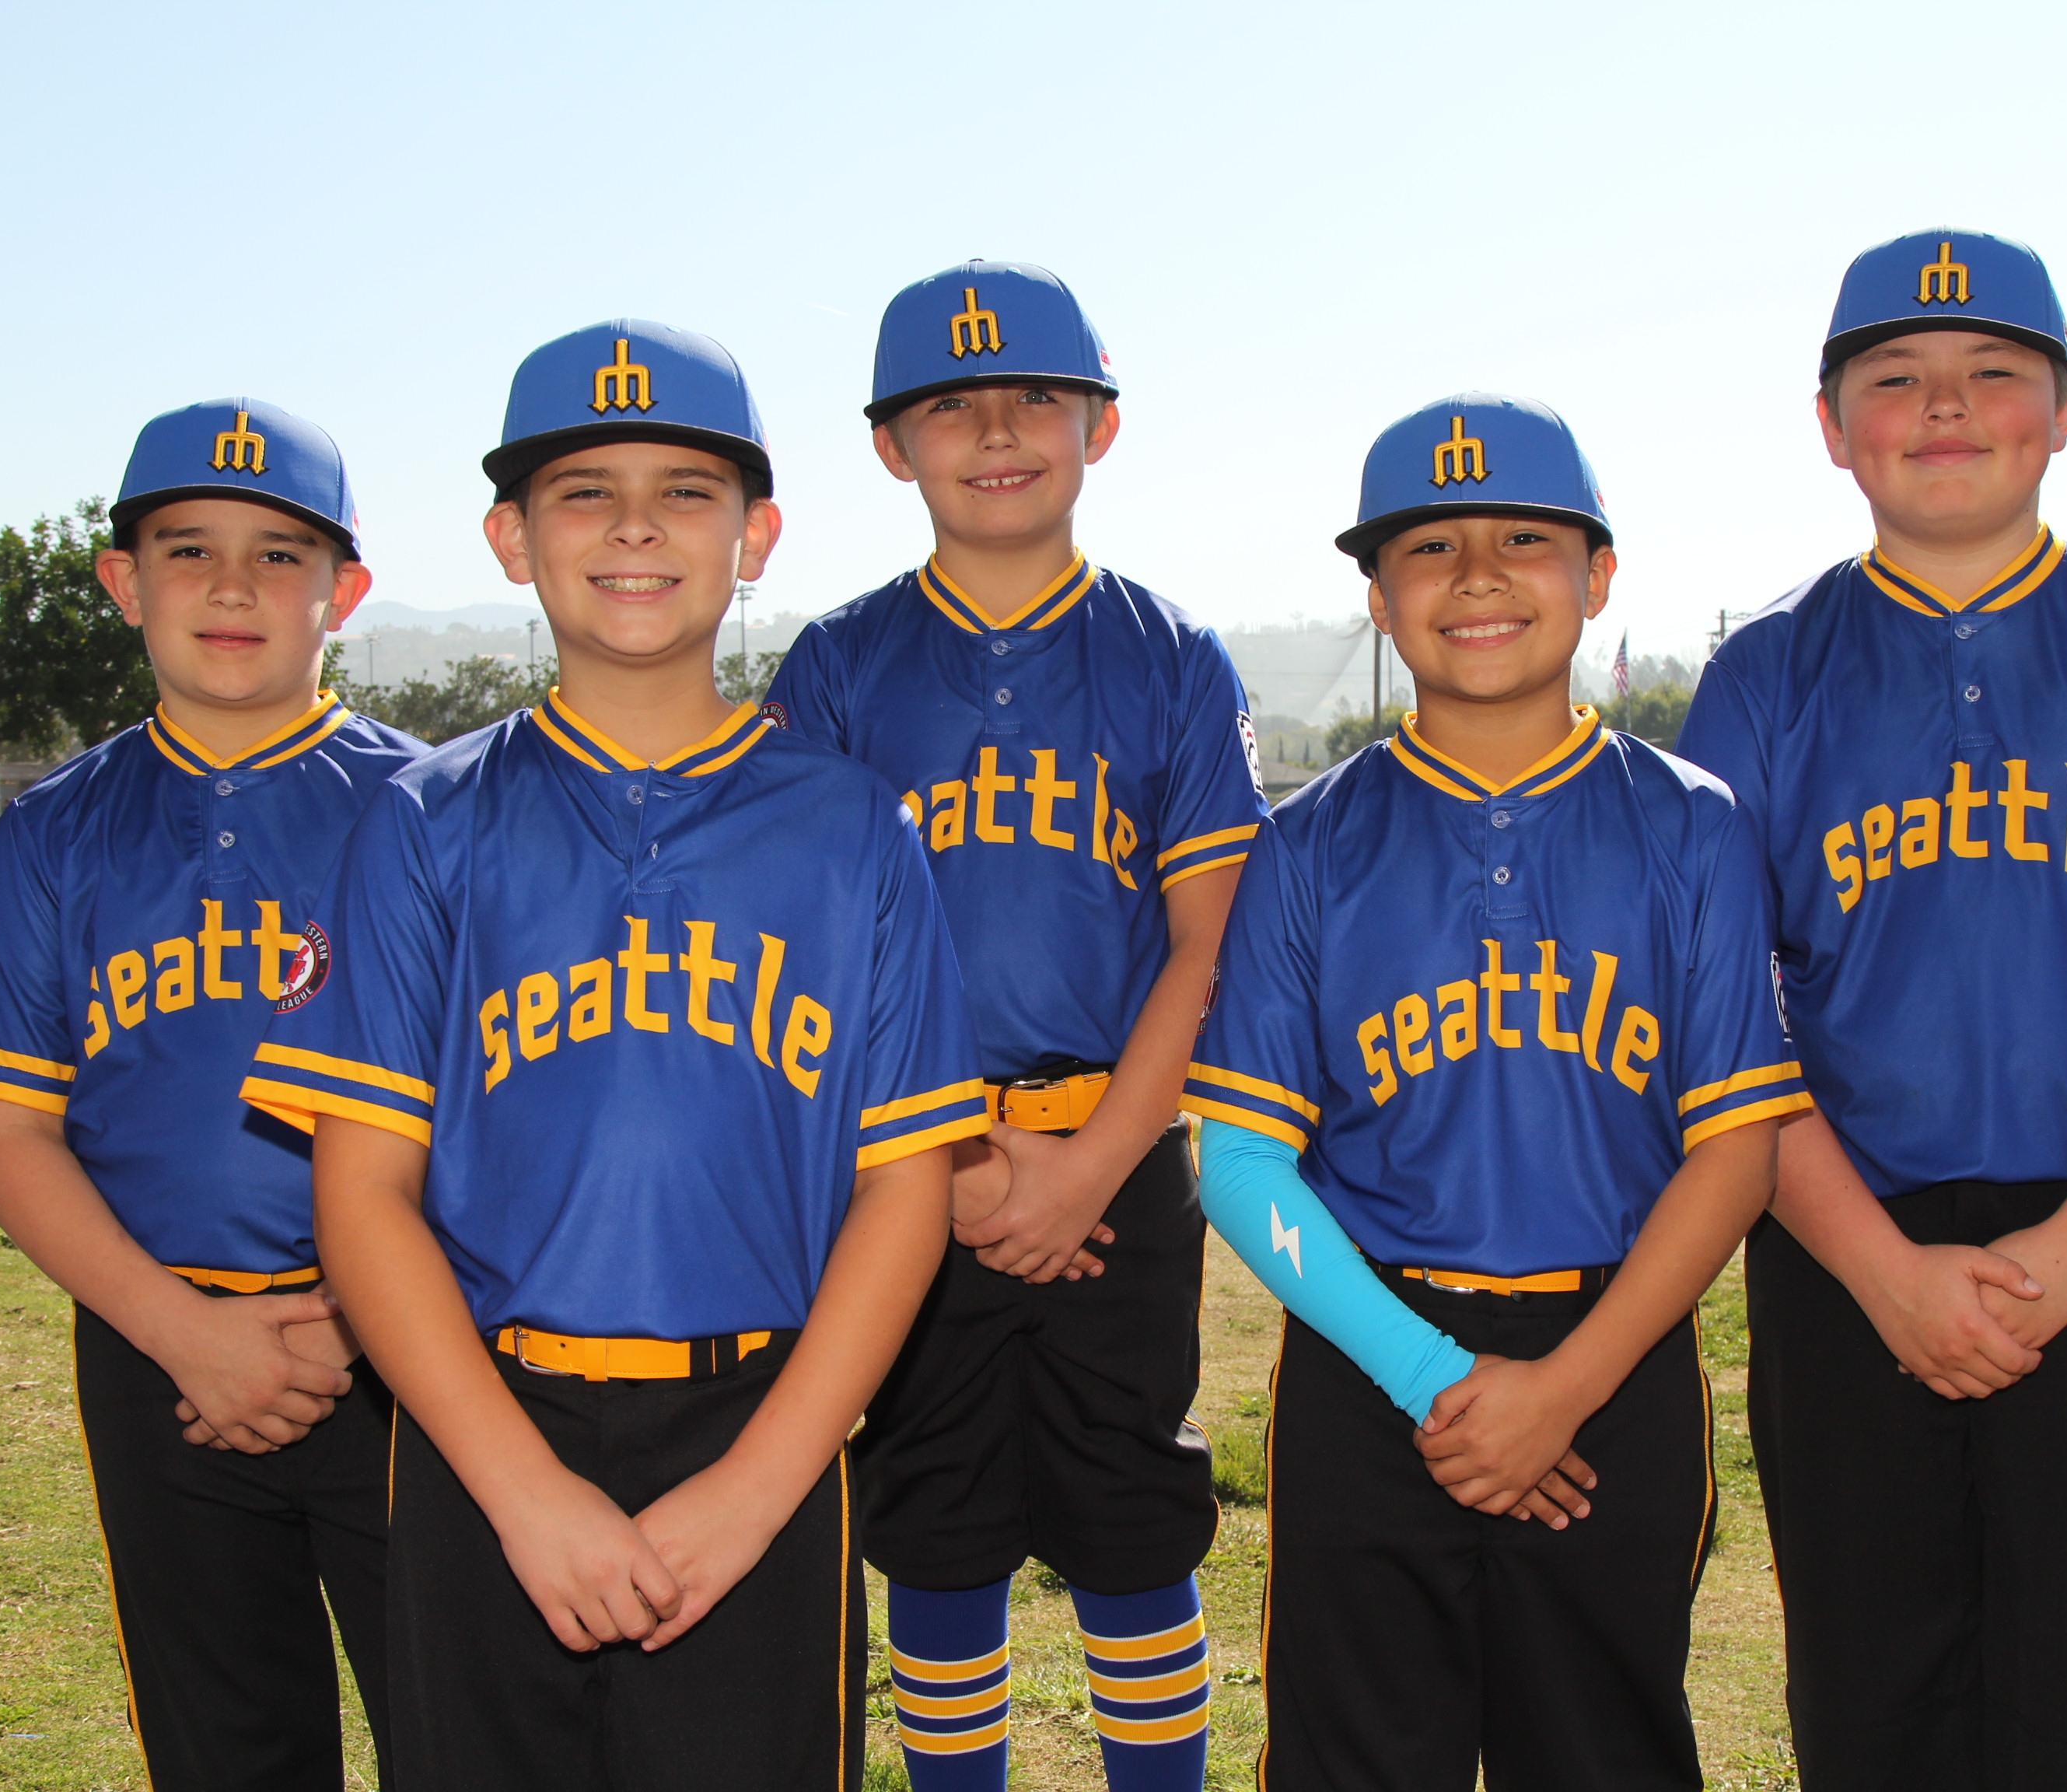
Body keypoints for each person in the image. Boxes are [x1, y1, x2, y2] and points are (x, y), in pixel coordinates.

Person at [244, 320, 987, 1791]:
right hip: (480, 1421)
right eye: (584, 490)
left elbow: (906, 1190)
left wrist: (756, 1488)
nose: (636, 526)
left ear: (755, 536)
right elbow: (363, 1192)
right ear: (510, 539)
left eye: (686, 491)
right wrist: (523, 1494)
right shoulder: (423, 820)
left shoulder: (855, 826)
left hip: (762, 1417)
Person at [1674, 230, 2067, 1790]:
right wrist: (1883, 1270)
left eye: (1993, 373)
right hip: (1843, 1237)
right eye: (1896, 378)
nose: (1946, 407)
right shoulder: (1763, 677)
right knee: (1869, 1689)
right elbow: (1724, 1026)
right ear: (1832, 427)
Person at [1181, 394, 1807, 1791]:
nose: (1476, 575)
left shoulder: (1694, 825)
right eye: (1429, 545)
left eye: (1525, 537)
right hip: (1371, 1355)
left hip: (1614, 1354)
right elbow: (1240, 1163)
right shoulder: (1307, 842)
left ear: (1598, 575)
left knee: (1601, 1750)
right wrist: (1439, 1379)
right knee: (1353, 1759)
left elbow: (1736, 1156)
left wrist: (1563, 1387)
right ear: (1377, 597)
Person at [765, 261, 1268, 1792]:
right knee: (935, 1524)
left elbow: (1209, 945)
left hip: (1121, 1158)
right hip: (910, 1168)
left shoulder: (1168, 655)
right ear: (888, 445)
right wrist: (969, 1166)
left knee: (1133, 1522)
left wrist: (1090, 1163)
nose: (996, 430)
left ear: (1099, 425)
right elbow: (811, 953)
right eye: (950, 405)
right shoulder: (839, 666)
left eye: (1035, 396)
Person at [0, 398, 421, 1790]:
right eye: (189, 549)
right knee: (225, 1748)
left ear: (344, 592)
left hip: (408, 1347)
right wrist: (189, 1334)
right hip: (157, 1348)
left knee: (464, 1732)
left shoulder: (431, 808)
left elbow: (504, 1118)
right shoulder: (57, 829)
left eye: (279, 553)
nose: (233, 586)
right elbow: (12, 1132)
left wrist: (361, 1318)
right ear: (124, 582)